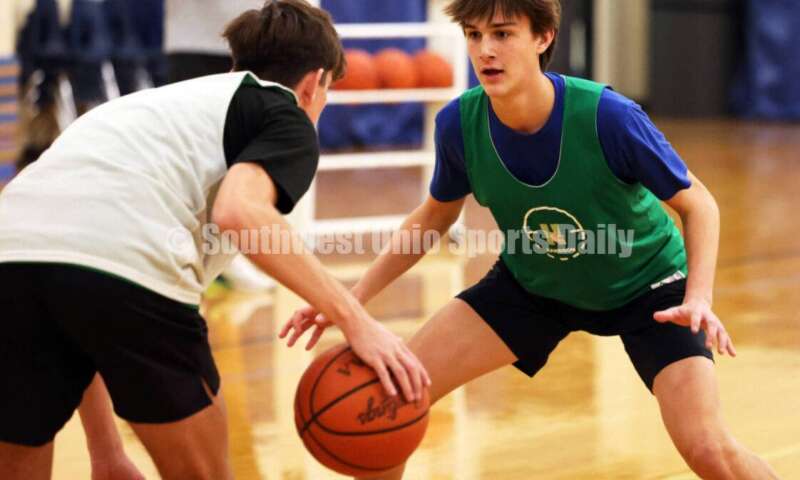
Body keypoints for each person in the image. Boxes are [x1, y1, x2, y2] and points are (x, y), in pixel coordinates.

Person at [280, 1, 781, 479]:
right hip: (533, 286)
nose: (485, 51)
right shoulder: (459, 123)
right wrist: (353, 298)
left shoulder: (609, 116)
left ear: (543, 37)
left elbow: (699, 205)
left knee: (707, 448)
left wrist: (699, 297)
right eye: (474, 35)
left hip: (650, 290)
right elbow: (434, 217)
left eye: (502, 34)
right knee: (389, 401)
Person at [0, 1, 429, 479]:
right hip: (127, 258)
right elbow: (239, 211)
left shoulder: (145, 110)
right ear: (315, 83)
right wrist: (357, 322)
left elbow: (71, 290)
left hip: (11, 251)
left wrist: (106, 452)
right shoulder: (282, 109)